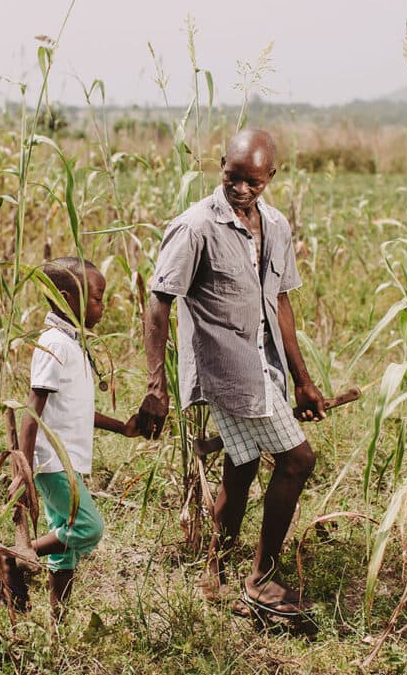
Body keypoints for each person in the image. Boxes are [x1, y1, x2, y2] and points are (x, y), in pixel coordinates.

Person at [136, 128, 326, 618]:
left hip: (267, 365)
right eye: (232, 177)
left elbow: (280, 301)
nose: (241, 190)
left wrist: (302, 380)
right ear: (221, 165)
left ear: (271, 178)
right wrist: (156, 385)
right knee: (298, 461)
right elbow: (158, 302)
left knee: (240, 468)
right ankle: (260, 580)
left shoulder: (276, 226)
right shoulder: (196, 226)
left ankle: (214, 570)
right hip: (227, 369)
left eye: (253, 183)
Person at [3, 256, 139, 618]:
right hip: (51, 460)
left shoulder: (73, 343)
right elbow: (34, 407)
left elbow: (74, 408)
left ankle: (58, 618)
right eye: (97, 297)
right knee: (87, 528)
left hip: (65, 458)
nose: (103, 305)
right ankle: (10, 559)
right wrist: (24, 468)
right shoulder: (54, 344)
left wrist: (122, 428)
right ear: (66, 299)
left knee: (64, 539)